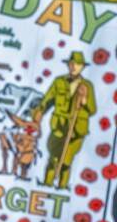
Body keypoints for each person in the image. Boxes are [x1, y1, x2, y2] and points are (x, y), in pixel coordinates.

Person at [35, 51, 96, 190]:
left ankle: (62, 186)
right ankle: (47, 184)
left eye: (78, 65)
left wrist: (84, 99)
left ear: (82, 67)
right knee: (54, 157)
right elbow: (48, 99)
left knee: (66, 160)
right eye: (72, 64)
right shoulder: (59, 82)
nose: (74, 67)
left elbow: (92, 110)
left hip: (76, 130)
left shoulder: (87, 86)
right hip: (59, 127)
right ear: (68, 65)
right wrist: (40, 112)